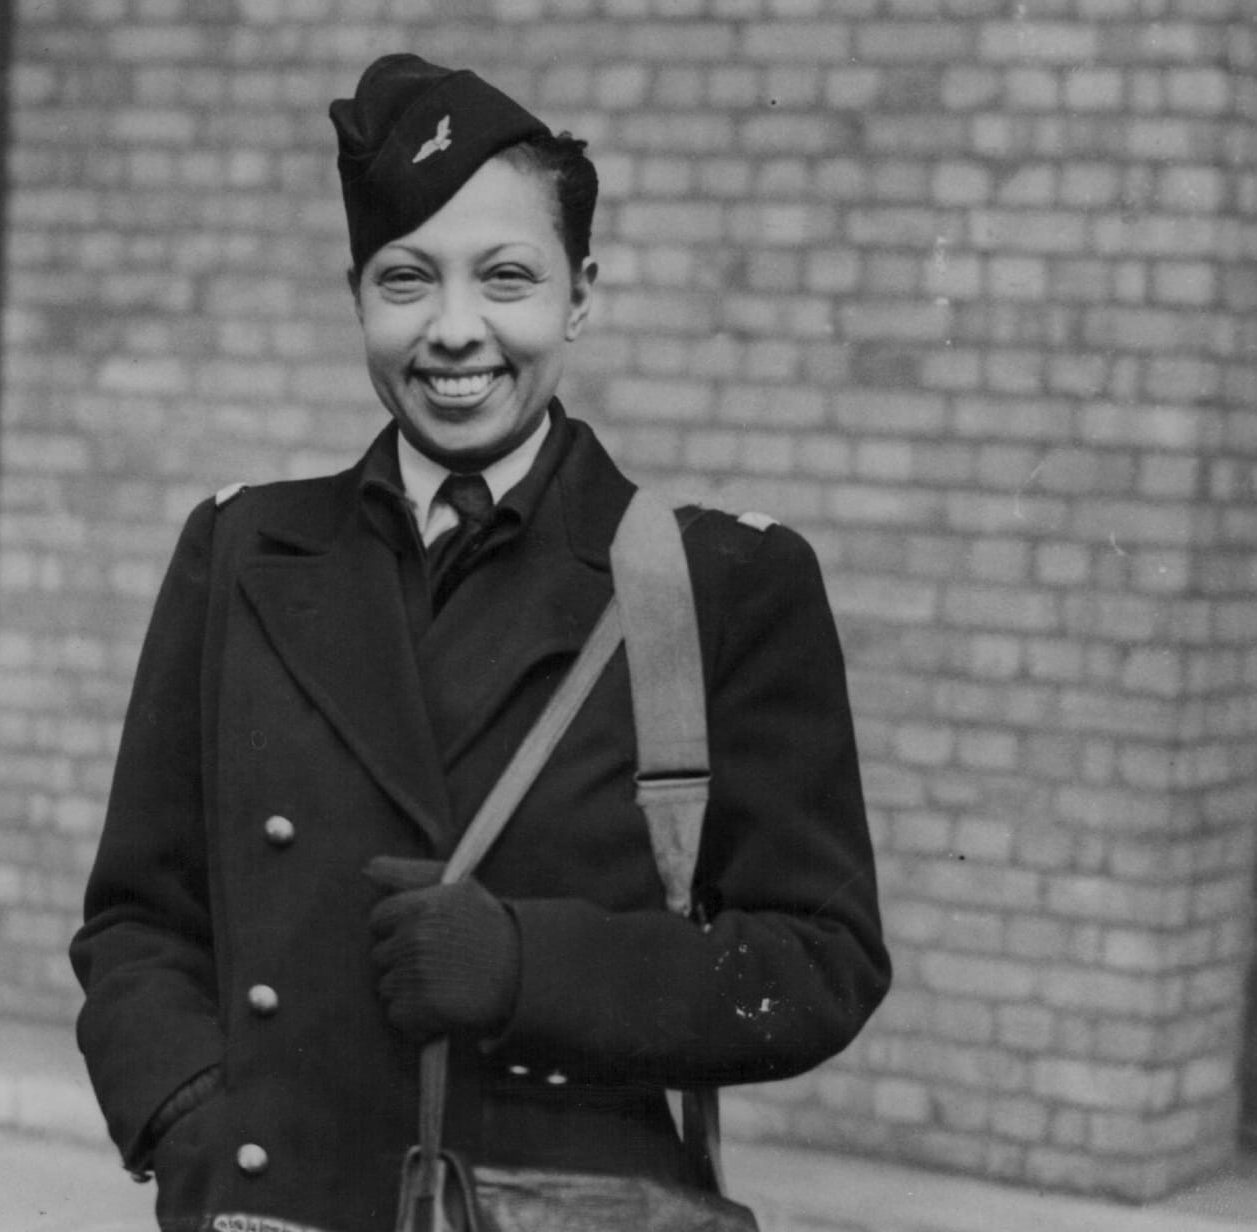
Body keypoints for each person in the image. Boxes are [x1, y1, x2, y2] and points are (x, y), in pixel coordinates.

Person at [71, 52, 891, 1232]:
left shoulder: (717, 582)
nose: (456, 331)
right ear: (355, 292)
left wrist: (526, 965)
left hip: (554, 1207)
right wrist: (185, 1116)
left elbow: (819, 962)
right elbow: (137, 917)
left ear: (580, 292)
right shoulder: (240, 549)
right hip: (275, 1204)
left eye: (505, 277)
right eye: (407, 281)